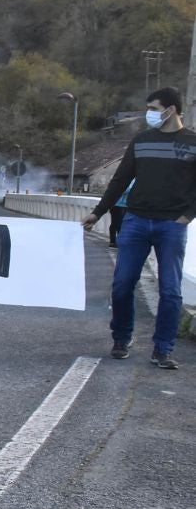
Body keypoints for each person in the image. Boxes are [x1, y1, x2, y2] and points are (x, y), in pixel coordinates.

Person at [82, 88, 196, 369]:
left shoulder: (193, 143)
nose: (150, 114)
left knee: (170, 291)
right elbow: (120, 180)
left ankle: (163, 349)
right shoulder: (141, 140)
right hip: (135, 221)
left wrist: (188, 216)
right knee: (122, 285)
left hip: (172, 225)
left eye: (154, 108)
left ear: (171, 110)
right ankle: (122, 338)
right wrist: (98, 212)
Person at [108, 178, 134, 248]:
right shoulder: (122, 179)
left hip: (126, 205)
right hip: (117, 205)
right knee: (116, 224)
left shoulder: (134, 180)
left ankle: (120, 241)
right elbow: (124, 190)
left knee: (123, 224)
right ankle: (113, 241)